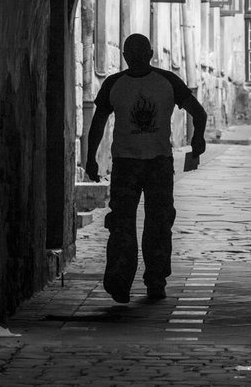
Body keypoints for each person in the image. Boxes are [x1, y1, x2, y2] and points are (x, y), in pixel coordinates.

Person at [85, 33, 207, 303]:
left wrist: (91, 157)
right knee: (153, 223)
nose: (137, 58)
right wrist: (198, 138)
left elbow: (98, 123)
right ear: (148, 53)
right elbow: (198, 112)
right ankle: (153, 280)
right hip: (152, 164)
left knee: (127, 224)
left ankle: (125, 282)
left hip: (134, 164)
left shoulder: (117, 83)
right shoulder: (166, 82)